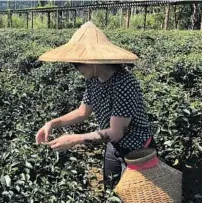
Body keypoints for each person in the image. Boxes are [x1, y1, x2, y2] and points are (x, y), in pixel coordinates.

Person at [35, 21, 157, 190]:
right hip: (113, 146)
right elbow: (82, 112)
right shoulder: (93, 80)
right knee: (111, 190)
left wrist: (74, 139)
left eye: (79, 64)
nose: (76, 68)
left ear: (93, 61)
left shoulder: (124, 83)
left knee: (133, 195)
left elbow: (116, 132)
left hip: (136, 151)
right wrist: (52, 123)